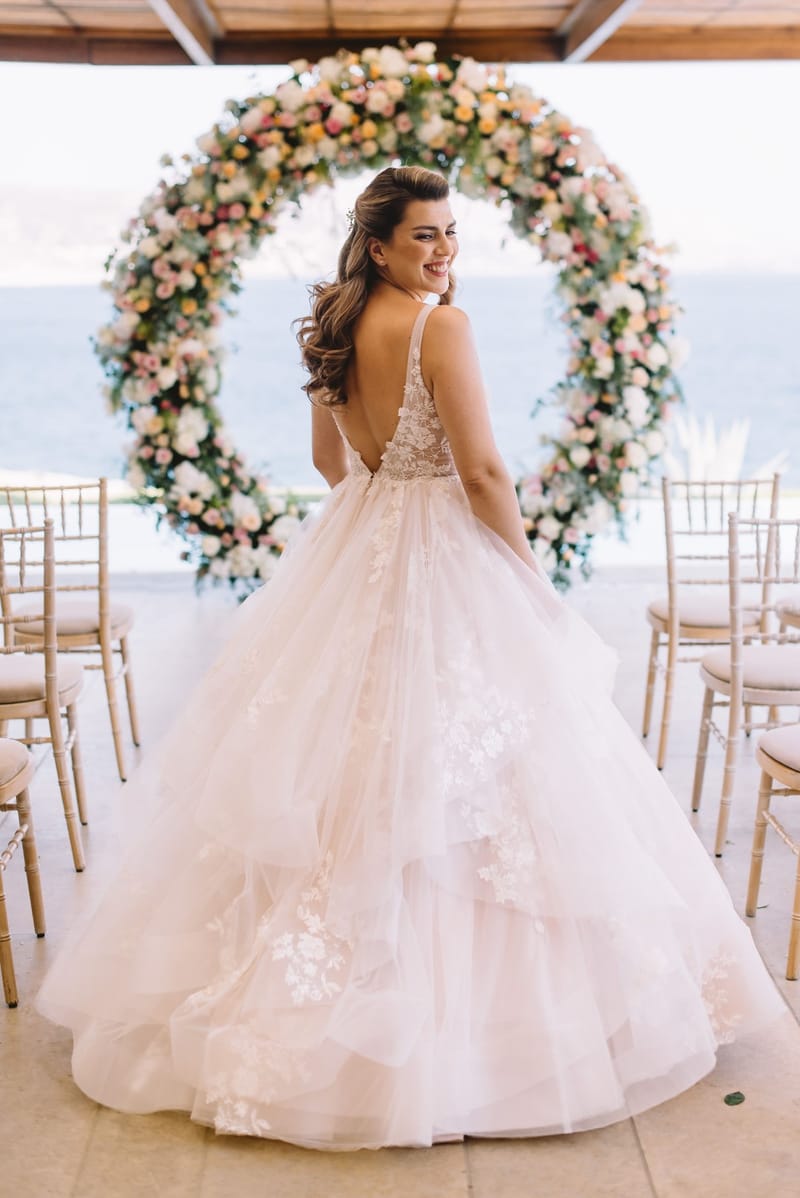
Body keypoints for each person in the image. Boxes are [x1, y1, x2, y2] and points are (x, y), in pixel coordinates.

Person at [37, 166, 783, 1151]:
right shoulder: (441, 328)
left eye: (450, 234)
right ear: (379, 244)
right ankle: (481, 1035)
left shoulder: (337, 328)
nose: (442, 253)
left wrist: (383, 499)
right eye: (423, 237)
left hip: (363, 538)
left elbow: (325, 464)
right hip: (442, 552)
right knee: (473, 771)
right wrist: (523, 579)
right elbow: (479, 470)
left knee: (355, 760)